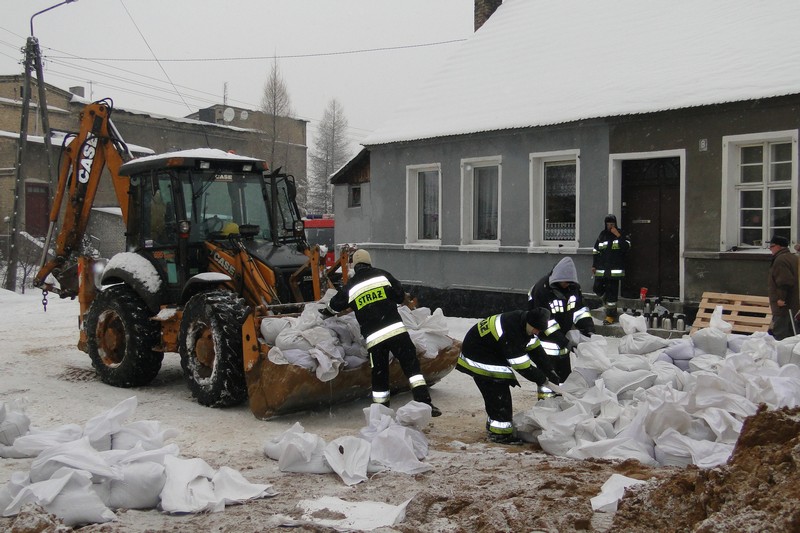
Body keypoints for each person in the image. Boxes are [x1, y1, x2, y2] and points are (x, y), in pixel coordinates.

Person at [322, 249, 442, 416]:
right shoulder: (382, 275)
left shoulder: (351, 286)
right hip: (396, 332)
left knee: (379, 374)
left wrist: (325, 312)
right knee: (412, 368)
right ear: (369, 262)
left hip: (375, 338)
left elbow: (335, 306)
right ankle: (425, 403)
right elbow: (400, 296)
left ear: (355, 266)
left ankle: (382, 412)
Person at [456, 308, 558, 444]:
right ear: (529, 323)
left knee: (496, 393)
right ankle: (500, 435)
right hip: (480, 357)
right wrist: (541, 378)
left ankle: (494, 428)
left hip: (488, 352)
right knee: (499, 394)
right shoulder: (512, 331)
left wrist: (549, 371)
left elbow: (535, 350)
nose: (537, 333)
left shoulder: (524, 324)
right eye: (536, 329)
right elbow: (521, 365)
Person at [528, 257, 595, 384]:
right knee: (548, 380)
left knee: (564, 379)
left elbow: (580, 311)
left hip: (563, 341)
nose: (567, 284)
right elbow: (546, 324)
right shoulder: (542, 290)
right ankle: (545, 403)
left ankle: (563, 399)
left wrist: (588, 329)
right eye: (565, 282)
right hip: (545, 344)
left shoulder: (573, 288)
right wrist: (565, 342)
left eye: (570, 282)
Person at [592, 214, 631, 324]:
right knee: (597, 288)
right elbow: (596, 251)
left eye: (612, 224)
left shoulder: (621, 233)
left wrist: (618, 235)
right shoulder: (602, 235)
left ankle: (610, 316)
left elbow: (626, 247)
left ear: (615, 224)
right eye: (608, 224)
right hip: (601, 269)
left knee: (612, 294)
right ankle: (605, 300)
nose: (610, 226)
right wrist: (594, 265)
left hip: (614, 271)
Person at [767, 235, 799, 340]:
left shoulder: (780, 260)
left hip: (784, 305)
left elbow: (784, 281)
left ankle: (781, 353)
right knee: (793, 330)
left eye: (772, 246)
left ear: (779, 247)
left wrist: (781, 298)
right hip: (794, 303)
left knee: (780, 331)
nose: (770, 248)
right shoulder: (794, 258)